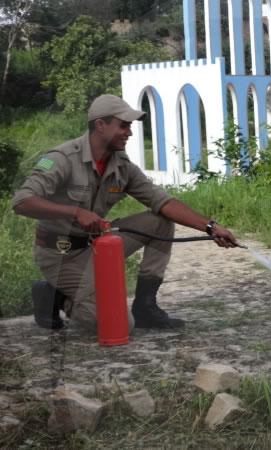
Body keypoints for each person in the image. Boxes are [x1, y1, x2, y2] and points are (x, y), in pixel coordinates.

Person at [12, 94, 239, 331]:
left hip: (96, 246)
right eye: (123, 125)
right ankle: (55, 297)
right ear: (100, 125)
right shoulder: (62, 159)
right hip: (60, 254)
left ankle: (145, 307)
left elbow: (162, 201)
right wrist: (75, 212)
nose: (129, 132)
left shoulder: (121, 165)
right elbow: (22, 202)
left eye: (130, 126)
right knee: (118, 325)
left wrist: (211, 227)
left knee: (159, 221)